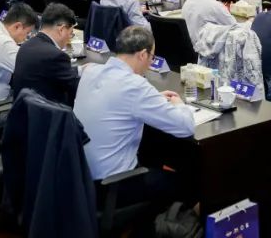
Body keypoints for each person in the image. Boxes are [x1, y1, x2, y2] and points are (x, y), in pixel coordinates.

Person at [72, 26, 195, 227]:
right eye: (152, 58)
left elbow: (118, 101)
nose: (151, 63)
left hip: (80, 177)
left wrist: (152, 100)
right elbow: (186, 126)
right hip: (111, 186)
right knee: (185, 181)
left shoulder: (92, 71)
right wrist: (179, 104)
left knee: (152, 154)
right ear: (143, 54)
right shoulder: (135, 86)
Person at [10, 3, 79, 105]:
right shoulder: (56, 55)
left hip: (23, 110)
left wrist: (79, 70)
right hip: (48, 113)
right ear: (62, 29)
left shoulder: (25, 46)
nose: (69, 38)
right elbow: (77, 87)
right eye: (71, 33)